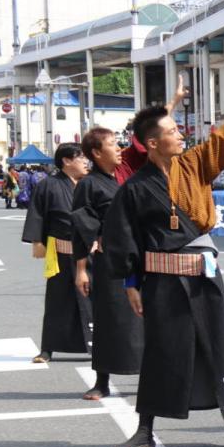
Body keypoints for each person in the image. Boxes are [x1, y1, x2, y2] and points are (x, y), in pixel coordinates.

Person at [103, 68, 224, 447]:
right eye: (172, 130)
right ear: (153, 143)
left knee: (220, 348)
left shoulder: (196, 164)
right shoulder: (133, 189)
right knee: (160, 352)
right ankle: (144, 430)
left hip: (203, 277)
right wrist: (130, 284)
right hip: (161, 284)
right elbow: (124, 239)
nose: (181, 133)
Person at [70, 128, 144, 400]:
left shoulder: (125, 178)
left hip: (138, 256)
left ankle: (149, 375)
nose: (119, 148)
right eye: (113, 144)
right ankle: (102, 381)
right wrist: (81, 270)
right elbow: (79, 225)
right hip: (109, 261)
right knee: (108, 320)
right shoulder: (89, 184)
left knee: (144, 318)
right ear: (97, 153)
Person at [21, 143, 93, 365]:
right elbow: (37, 212)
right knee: (57, 301)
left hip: (90, 254)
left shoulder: (89, 184)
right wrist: (36, 241)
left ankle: (97, 345)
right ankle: (47, 349)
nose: (85, 162)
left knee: (93, 300)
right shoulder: (49, 185)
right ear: (67, 161)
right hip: (61, 252)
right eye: (80, 158)